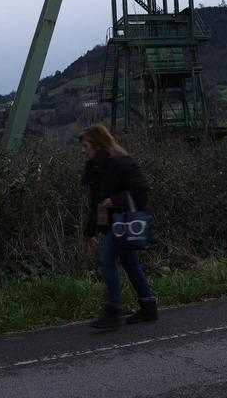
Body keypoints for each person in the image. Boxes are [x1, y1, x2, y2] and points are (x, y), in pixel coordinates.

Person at [80, 125, 158, 329]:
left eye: (86, 145)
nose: (83, 150)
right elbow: (95, 203)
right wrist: (89, 232)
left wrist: (115, 201)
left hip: (124, 223)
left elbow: (142, 190)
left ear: (97, 145)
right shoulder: (96, 168)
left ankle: (113, 311)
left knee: (107, 259)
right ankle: (148, 306)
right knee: (130, 264)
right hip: (118, 225)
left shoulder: (121, 162)